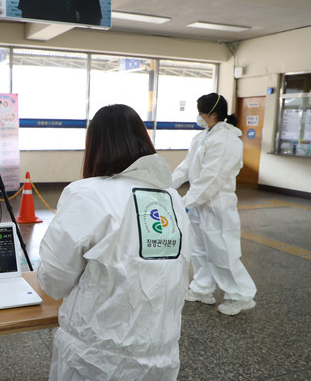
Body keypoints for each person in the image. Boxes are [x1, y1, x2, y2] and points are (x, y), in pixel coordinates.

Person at [38, 104, 193, 380]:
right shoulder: (172, 199)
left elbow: (54, 280)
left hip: (96, 358)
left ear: (95, 146)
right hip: (162, 355)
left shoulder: (87, 194)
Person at [172, 93, 257, 316]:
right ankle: (202, 288)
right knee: (199, 249)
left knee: (223, 252)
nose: (198, 116)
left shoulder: (227, 140)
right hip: (200, 204)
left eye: (201, 111)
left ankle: (240, 296)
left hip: (217, 204)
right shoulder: (203, 136)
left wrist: (185, 201)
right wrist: (166, 186)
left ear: (213, 114)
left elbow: (212, 178)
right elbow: (187, 166)